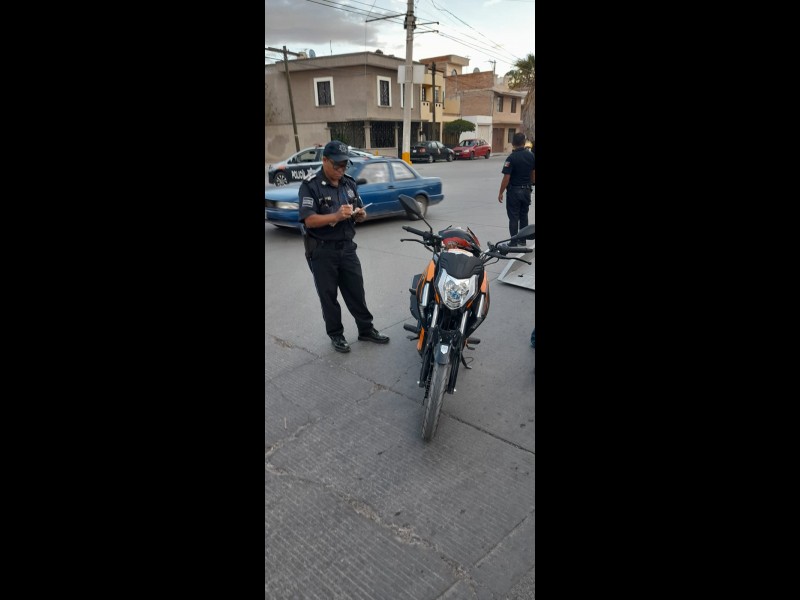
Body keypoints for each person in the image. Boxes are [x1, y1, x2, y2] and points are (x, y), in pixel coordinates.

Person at [298, 140, 390, 353]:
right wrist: (336, 216)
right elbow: (309, 220)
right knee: (328, 296)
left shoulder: (349, 183)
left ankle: (366, 329)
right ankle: (336, 335)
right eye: (337, 165)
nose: (341, 169)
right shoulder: (310, 185)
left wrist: (360, 215)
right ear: (324, 160)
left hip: (347, 248)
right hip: (322, 250)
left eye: (344, 165)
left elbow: (358, 208)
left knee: (356, 291)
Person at [497, 132, 535, 239]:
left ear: (513, 143)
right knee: (524, 216)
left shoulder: (511, 158)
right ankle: (523, 240)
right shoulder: (531, 156)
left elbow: (506, 177)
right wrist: (531, 183)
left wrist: (501, 192)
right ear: (524, 142)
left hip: (514, 191)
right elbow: (533, 173)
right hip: (526, 191)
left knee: (513, 217)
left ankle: (513, 241)